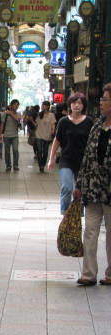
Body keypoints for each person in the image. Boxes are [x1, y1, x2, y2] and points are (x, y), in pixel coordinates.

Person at [72, 83, 111, 286]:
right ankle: (88, 274)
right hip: (93, 188)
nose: (102, 103)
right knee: (90, 230)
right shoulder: (97, 126)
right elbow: (87, 157)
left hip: (110, 189)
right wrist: (79, 184)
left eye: (105, 99)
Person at [47, 92, 94, 214]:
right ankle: (65, 213)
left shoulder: (89, 122)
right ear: (70, 105)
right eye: (74, 102)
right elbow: (57, 140)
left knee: (80, 190)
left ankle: (78, 214)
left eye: (80, 103)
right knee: (67, 187)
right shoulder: (63, 121)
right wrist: (51, 159)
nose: (77, 105)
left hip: (83, 162)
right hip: (66, 160)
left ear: (84, 105)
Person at [0, 99, 21, 171]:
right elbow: (2, 124)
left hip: (15, 135)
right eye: (15, 104)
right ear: (11, 105)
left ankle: (16, 165)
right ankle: (8, 165)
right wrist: (0, 134)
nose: (16, 106)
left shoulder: (18, 114)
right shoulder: (5, 114)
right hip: (6, 135)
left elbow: (18, 119)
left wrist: (11, 113)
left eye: (17, 105)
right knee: (7, 151)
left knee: (15, 150)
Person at [35, 101, 56, 172]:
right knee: (39, 150)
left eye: (45, 105)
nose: (44, 107)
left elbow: (53, 123)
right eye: (43, 105)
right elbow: (36, 123)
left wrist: (53, 130)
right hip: (39, 134)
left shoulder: (51, 115)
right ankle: (40, 165)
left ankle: (43, 164)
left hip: (47, 135)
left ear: (48, 106)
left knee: (45, 151)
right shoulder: (39, 114)